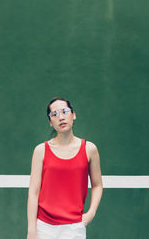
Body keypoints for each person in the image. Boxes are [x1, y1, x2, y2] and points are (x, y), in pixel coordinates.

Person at [27, 97, 103, 239]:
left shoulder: (89, 149)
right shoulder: (41, 150)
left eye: (64, 111)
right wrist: (32, 229)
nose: (61, 117)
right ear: (50, 122)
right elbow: (33, 192)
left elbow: (98, 185)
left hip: (74, 228)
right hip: (44, 227)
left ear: (73, 115)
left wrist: (91, 212)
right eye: (54, 114)